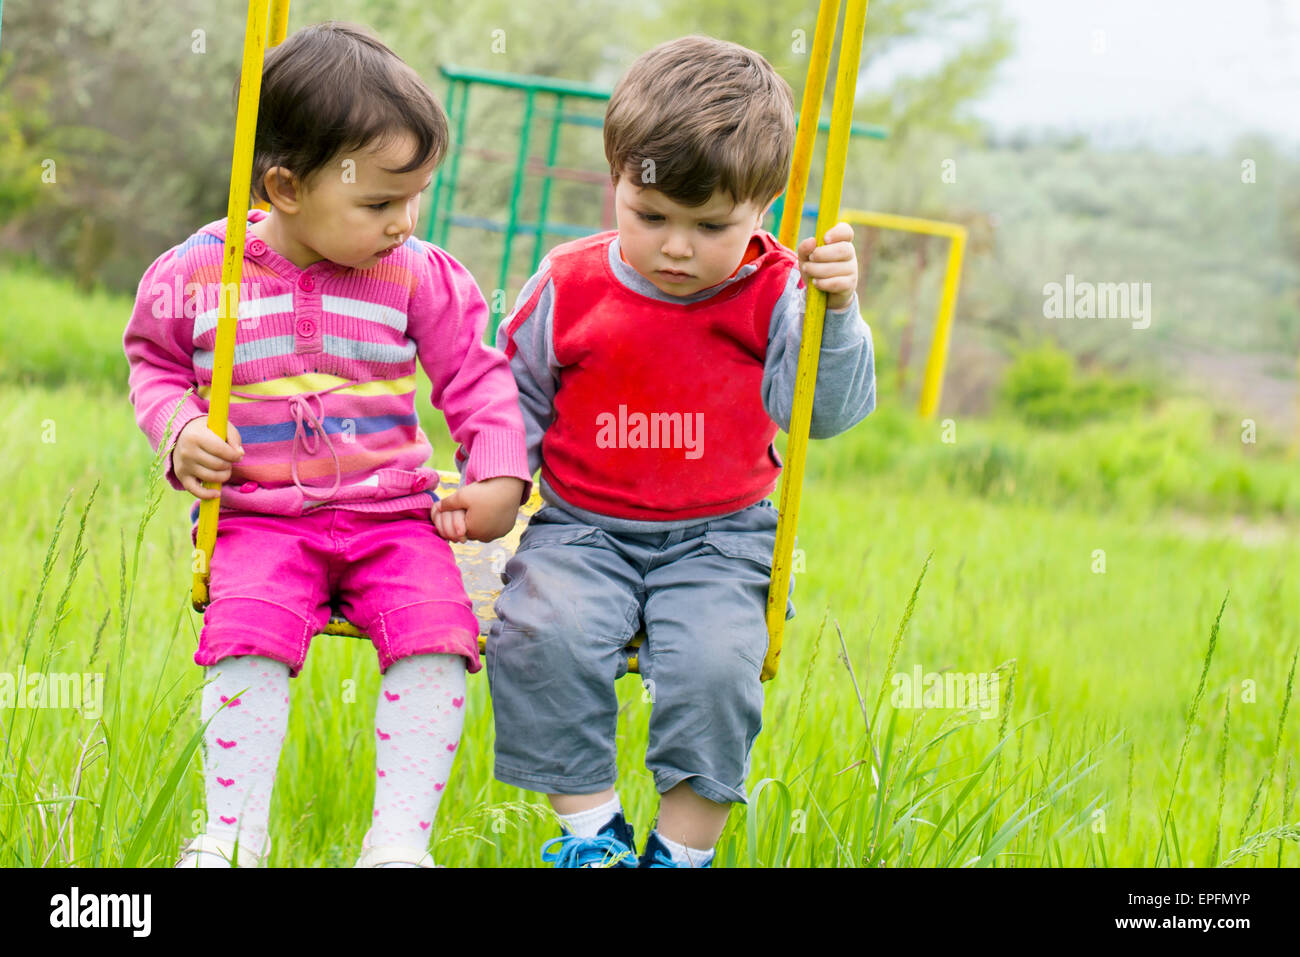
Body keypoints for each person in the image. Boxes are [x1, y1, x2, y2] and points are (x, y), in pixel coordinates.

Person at [122, 21, 529, 868]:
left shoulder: (417, 272)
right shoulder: (202, 272)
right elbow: (154, 364)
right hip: (260, 519)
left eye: (414, 197)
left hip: (395, 516)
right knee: (247, 635)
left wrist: (497, 473)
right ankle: (233, 835)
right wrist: (180, 430)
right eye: (380, 202)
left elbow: (476, 377)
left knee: (439, 635)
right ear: (286, 186)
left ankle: (396, 844)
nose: (404, 221)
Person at [487, 35, 876, 868]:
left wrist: (835, 313)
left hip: (721, 539)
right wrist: (497, 485)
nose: (675, 247)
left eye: (711, 227)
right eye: (651, 216)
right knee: (536, 633)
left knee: (714, 669)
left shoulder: (780, 294)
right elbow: (511, 394)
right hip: (580, 529)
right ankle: (592, 836)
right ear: (617, 181)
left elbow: (825, 414)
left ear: (762, 212)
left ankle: (679, 853)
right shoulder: (569, 282)